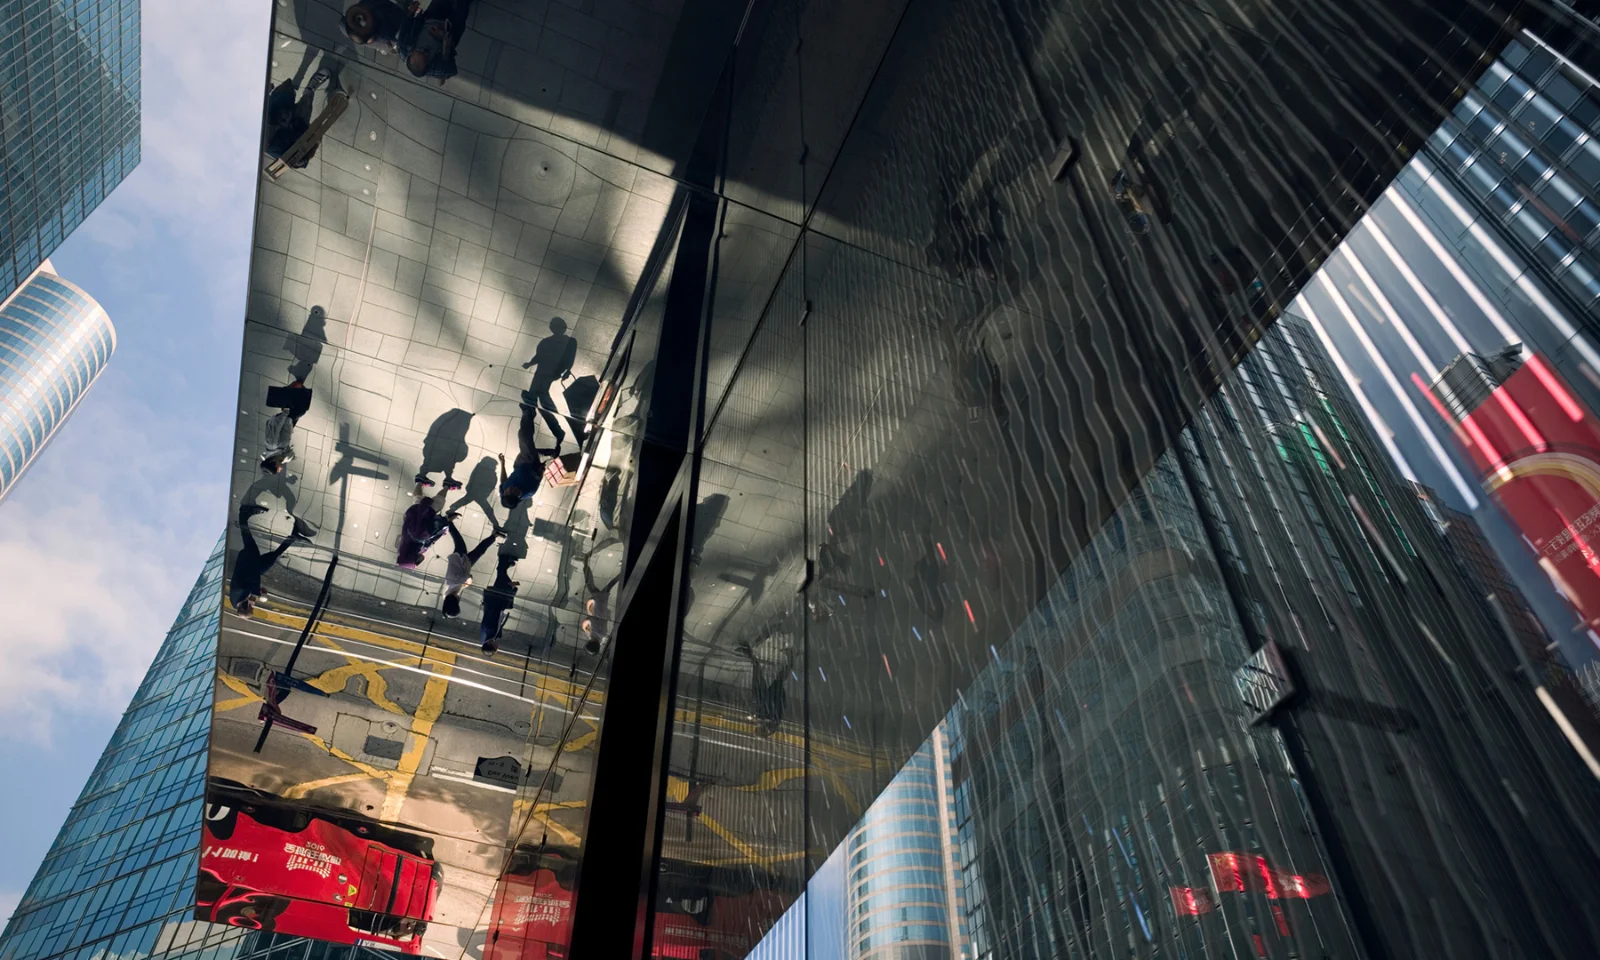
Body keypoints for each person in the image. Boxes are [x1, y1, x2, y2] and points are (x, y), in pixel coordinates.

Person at [230, 504, 311, 615]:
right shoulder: (239, 602)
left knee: (248, 539)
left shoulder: (238, 594)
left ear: (245, 606)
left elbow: (246, 585)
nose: (254, 606)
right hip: (255, 570)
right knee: (272, 558)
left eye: (252, 607)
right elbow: (251, 586)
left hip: (247, 562)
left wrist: (255, 593)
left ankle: (243, 514)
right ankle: (293, 536)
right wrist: (257, 593)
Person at [521, 317, 578, 451]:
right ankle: (557, 430)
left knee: (534, 400)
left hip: (550, 373)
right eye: (555, 326)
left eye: (559, 326)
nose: (557, 329)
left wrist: (566, 371)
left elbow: (570, 358)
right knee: (539, 399)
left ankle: (556, 430)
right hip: (541, 372)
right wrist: (530, 363)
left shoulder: (569, 342)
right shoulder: (546, 342)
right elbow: (539, 356)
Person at [263, 70, 341, 168]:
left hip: (281, 106)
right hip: (297, 124)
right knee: (307, 101)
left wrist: (266, 91)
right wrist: (315, 141)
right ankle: (310, 88)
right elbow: (302, 160)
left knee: (288, 87)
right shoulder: (277, 151)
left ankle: (294, 89)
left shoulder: (260, 124)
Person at [440, 519, 502, 618]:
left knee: (459, 541)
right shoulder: (447, 596)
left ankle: (447, 521)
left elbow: (469, 577)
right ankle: (494, 535)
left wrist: (467, 583)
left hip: (460, 559)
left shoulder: (453, 583)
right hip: (463, 565)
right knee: (479, 550)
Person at [397, 0, 471, 81]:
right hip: (451, 30)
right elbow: (452, 70)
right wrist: (443, 39)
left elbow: (404, 27)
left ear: (410, 53)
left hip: (432, 17)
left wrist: (411, 13)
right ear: (429, 63)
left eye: (418, 49)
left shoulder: (403, 48)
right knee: (461, 7)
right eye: (426, 52)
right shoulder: (436, 69)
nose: (423, 49)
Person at [397, 481, 457, 568]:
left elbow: (434, 530)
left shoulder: (419, 539)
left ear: (412, 556)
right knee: (417, 499)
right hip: (412, 513)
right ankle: (420, 482)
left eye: (416, 561)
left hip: (425, 513)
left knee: (439, 502)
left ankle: (447, 486)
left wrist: (446, 522)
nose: (419, 562)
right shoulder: (405, 546)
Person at [498, 407, 543, 508]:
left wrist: (502, 464)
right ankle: (528, 412)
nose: (507, 489)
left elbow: (503, 482)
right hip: (531, 463)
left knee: (528, 445)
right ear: (516, 495)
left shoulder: (504, 492)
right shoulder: (530, 490)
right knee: (524, 438)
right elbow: (539, 478)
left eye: (505, 492)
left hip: (519, 464)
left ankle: (550, 452)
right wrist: (542, 471)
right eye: (509, 491)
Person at [479, 555, 519, 655]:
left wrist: (505, 600)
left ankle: (503, 560)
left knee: (503, 581)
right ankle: (504, 564)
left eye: (496, 650)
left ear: (492, 646)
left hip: (496, 600)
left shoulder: (490, 630)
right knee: (502, 580)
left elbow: (493, 612)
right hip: (496, 602)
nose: (498, 649)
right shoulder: (486, 637)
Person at [340, 0, 411, 53]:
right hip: (399, 17)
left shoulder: (386, 32)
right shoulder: (366, 4)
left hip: (400, 20)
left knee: (342, 25)